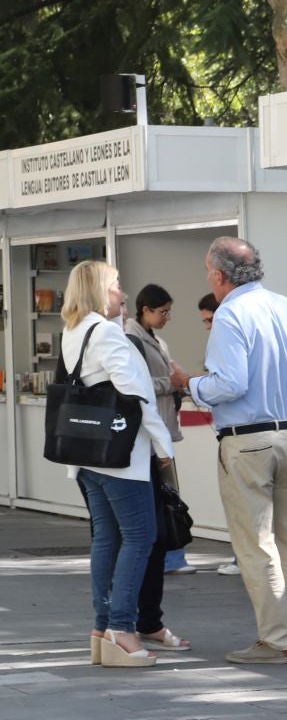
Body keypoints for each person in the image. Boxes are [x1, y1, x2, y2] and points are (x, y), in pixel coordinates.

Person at [188, 237, 287, 665]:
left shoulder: (230, 314)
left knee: (256, 543)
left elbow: (229, 384)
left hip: (249, 438)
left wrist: (189, 384)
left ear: (218, 275)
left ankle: (277, 639)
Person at [54, 262, 176, 669]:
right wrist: (163, 446)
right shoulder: (105, 331)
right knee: (139, 537)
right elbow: (137, 394)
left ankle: (102, 627)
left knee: (107, 538)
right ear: (100, 290)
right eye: (117, 285)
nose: (123, 294)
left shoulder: (74, 330)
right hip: (120, 458)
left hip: (87, 456)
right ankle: (122, 631)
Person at [126, 285, 195, 577]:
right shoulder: (132, 339)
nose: (167, 317)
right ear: (146, 310)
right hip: (149, 433)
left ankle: (172, 556)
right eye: (163, 312)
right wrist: (172, 384)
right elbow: (137, 384)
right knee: (163, 496)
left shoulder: (155, 339)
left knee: (168, 495)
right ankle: (168, 557)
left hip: (164, 428)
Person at [192, 292, 244, 578]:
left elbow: (228, 386)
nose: (209, 326)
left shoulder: (228, 336)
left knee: (241, 505)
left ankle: (243, 560)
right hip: (282, 435)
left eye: (210, 319)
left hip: (241, 435)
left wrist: (192, 385)